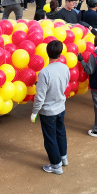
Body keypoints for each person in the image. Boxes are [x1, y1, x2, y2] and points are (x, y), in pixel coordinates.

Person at [31, 40, 70, 175]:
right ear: (60, 53)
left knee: (50, 138)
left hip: (48, 111)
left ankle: (56, 166)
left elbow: (40, 97)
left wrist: (34, 112)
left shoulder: (44, 72)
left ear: (47, 53)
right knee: (61, 133)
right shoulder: (65, 68)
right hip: (60, 107)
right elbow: (64, 84)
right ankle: (63, 158)